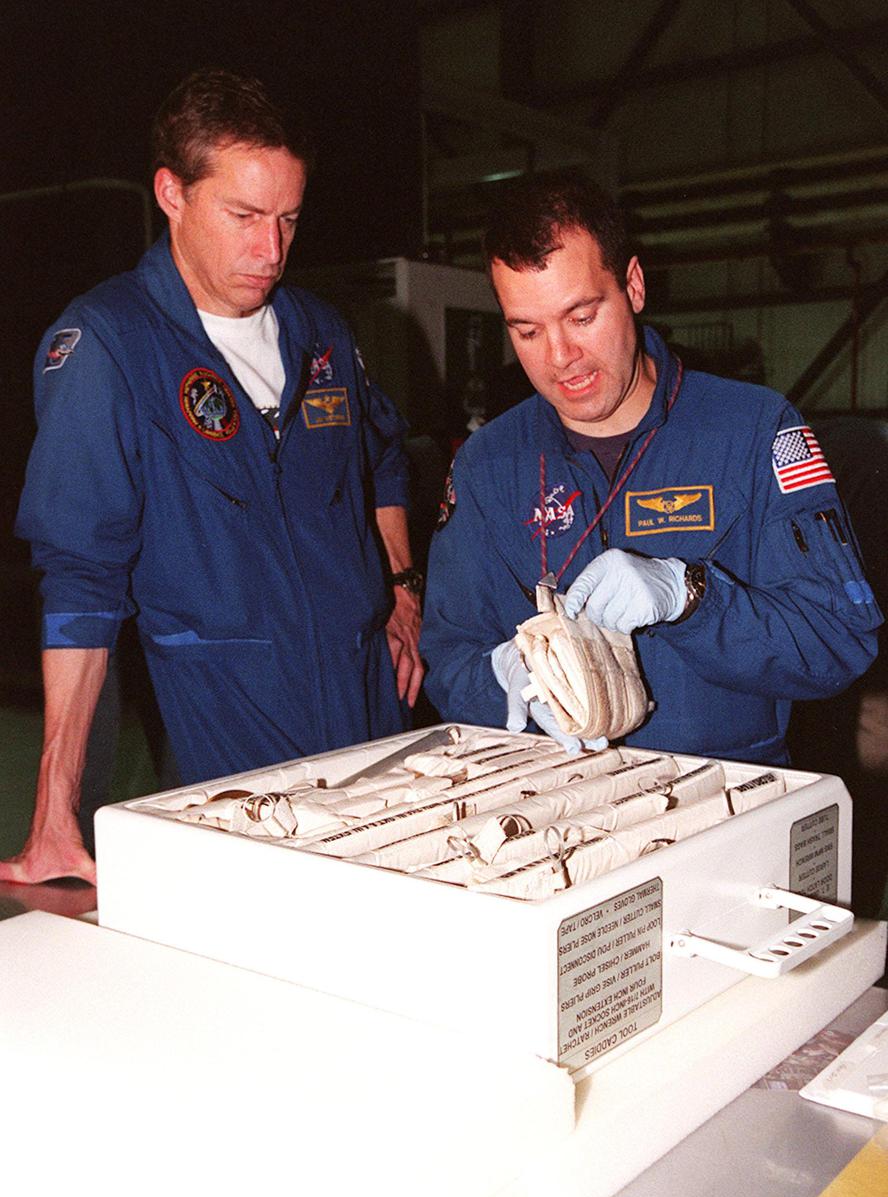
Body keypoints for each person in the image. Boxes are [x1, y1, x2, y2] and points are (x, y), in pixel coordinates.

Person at [6, 69, 423, 886]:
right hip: (229, 736)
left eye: (288, 220)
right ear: (171, 193)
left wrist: (402, 585)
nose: (270, 251)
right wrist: (55, 808)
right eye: (243, 217)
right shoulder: (108, 346)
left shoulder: (320, 333)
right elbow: (81, 584)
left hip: (375, 717)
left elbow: (381, 455)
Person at [421, 175, 881, 764]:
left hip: (726, 802)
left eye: (582, 316)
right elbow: (451, 658)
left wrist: (691, 599)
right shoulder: (488, 465)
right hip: (557, 813)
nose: (560, 358)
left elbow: (836, 639)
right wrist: (502, 683)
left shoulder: (752, 431)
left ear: (633, 286)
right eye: (528, 331)